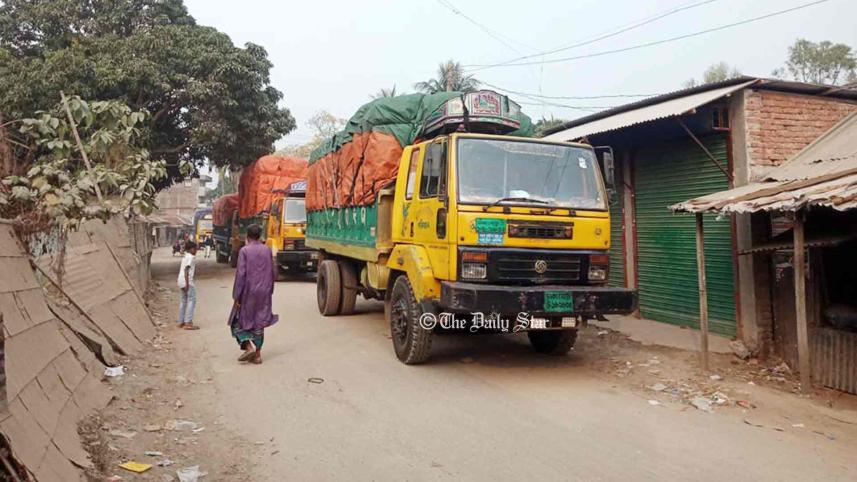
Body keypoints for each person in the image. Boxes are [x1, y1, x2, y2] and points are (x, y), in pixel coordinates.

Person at [231, 224, 278, 364]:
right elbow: (272, 271)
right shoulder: (267, 250)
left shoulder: (244, 251)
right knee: (260, 321)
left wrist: (236, 295)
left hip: (248, 291)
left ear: (248, 236)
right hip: (264, 291)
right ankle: (257, 355)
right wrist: (270, 290)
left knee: (237, 321)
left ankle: (248, 346)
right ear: (260, 235)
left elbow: (241, 274)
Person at [177, 240, 200, 330]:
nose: (196, 251)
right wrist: (187, 283)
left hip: (180, 280)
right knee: (192, 300)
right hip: (187, 281)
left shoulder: (185, 256)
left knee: (183, 301)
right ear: (191, 249)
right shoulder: (191, 257)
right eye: (195, 249)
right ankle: (188, 322)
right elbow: (186, 270)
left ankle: (181, 321)